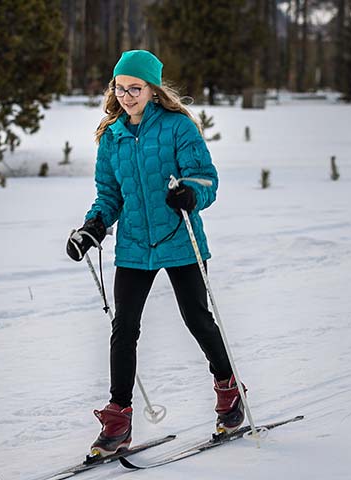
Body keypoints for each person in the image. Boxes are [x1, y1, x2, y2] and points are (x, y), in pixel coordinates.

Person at [62, 50, 241, 457]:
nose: (125, 96)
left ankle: (230, 392)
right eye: (119, 88)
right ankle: (118, 417)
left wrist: (189, 193)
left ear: (152, 89)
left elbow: (205, 178)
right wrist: (93, 227)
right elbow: (109, 196)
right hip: (135, 245)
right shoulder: (112, 136)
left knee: (197, 318)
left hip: (179, 238)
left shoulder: (178, 127)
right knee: (124, 328)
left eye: (134, 88)